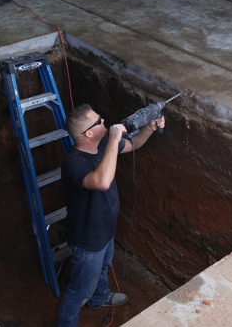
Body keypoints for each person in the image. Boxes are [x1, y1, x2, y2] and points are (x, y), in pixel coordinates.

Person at [54, 104, 165, 327]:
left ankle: (100, 298)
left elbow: (135, 144)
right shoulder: (74, 164)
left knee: (104, 266)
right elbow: (102, 182)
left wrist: (150, 129)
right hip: (88, 240)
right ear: (88, 133)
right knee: (79, 291)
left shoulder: (103, 144)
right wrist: (114, 140)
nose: (104, 121)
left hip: (105, 230)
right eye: (99, 121)